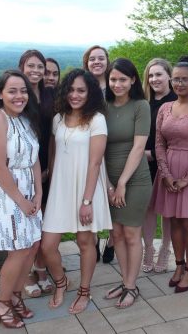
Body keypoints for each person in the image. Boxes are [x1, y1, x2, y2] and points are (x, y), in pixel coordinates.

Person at [41, 69, 112, 314]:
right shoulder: (58, 118)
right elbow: (53, 152)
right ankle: (61, 282)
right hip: (61, 188)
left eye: (81, 90)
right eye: (71, 90)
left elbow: (95, 162)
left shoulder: (97, 120)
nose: (75, 95)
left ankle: (84, 290)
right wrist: (48, 179)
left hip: (86, 188)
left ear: (90, 92)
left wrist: (87, 201)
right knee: (47, 245)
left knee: (85, 242)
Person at [0, 70, 42, 328]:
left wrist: (38, 193)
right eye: (12, 91)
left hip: (27, 188)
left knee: (33, 245)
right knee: (19, 249)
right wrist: (21, 200)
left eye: (23, 90)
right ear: (0, 94)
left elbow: (34, 159)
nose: (19, 96)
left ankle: (15, 295)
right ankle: (1, 302)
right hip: (4, 190)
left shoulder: (26, 119)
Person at [150, 60, 188, 293]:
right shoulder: (164, 109)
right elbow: (158, 143)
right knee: (173, 220)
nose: (179, 83)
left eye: (184, 79)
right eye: (175, 78)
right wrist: (165, 174)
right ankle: (178, 265)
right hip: (168, 169)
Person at [103, 58, 151, 308]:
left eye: (123, 79)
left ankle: (132, 286)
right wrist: (109, 184)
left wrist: (121, 183)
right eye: (113, 79)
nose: (117, 84)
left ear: (133, 80)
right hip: (107, 179)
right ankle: (125, 281)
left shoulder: (141, 106)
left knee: (132, 233)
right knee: (116, 233)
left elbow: (139, 146)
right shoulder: (102, 105)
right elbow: (97, 148)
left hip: (135, 180)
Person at [18, 49, 55, 298]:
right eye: (30, 66)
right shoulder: (17, 93)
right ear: (21, 67)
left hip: (48, 161)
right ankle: (27, 273)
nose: (36, 71)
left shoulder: (52, 93)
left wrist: (50, 166)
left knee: (45, 220)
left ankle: (41, 267)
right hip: (22, 164)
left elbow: (54, 133)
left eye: (40, 66)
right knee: (26, 220)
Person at [141, 58, 177, 273]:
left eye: (159, 74)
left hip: (166, 163)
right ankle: (148, 249)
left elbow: (178, 138)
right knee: (147, 209)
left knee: (167, 210)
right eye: (151, 75)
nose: (154, 79)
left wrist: (153, 154)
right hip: (143, 164)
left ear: (169, 76)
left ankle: (165, 249)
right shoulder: (143, 102)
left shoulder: (176, 102)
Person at [82, 44, 115, 263]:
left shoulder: (114, 85)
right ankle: (92, 239)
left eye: (101, 58)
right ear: (86, 62)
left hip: (113, 146)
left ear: (107, 61)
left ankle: (112, 240)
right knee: (91, 192)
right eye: (92, 59)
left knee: (113, 195)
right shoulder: (82, 86)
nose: (96, 62)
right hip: (89, 147)